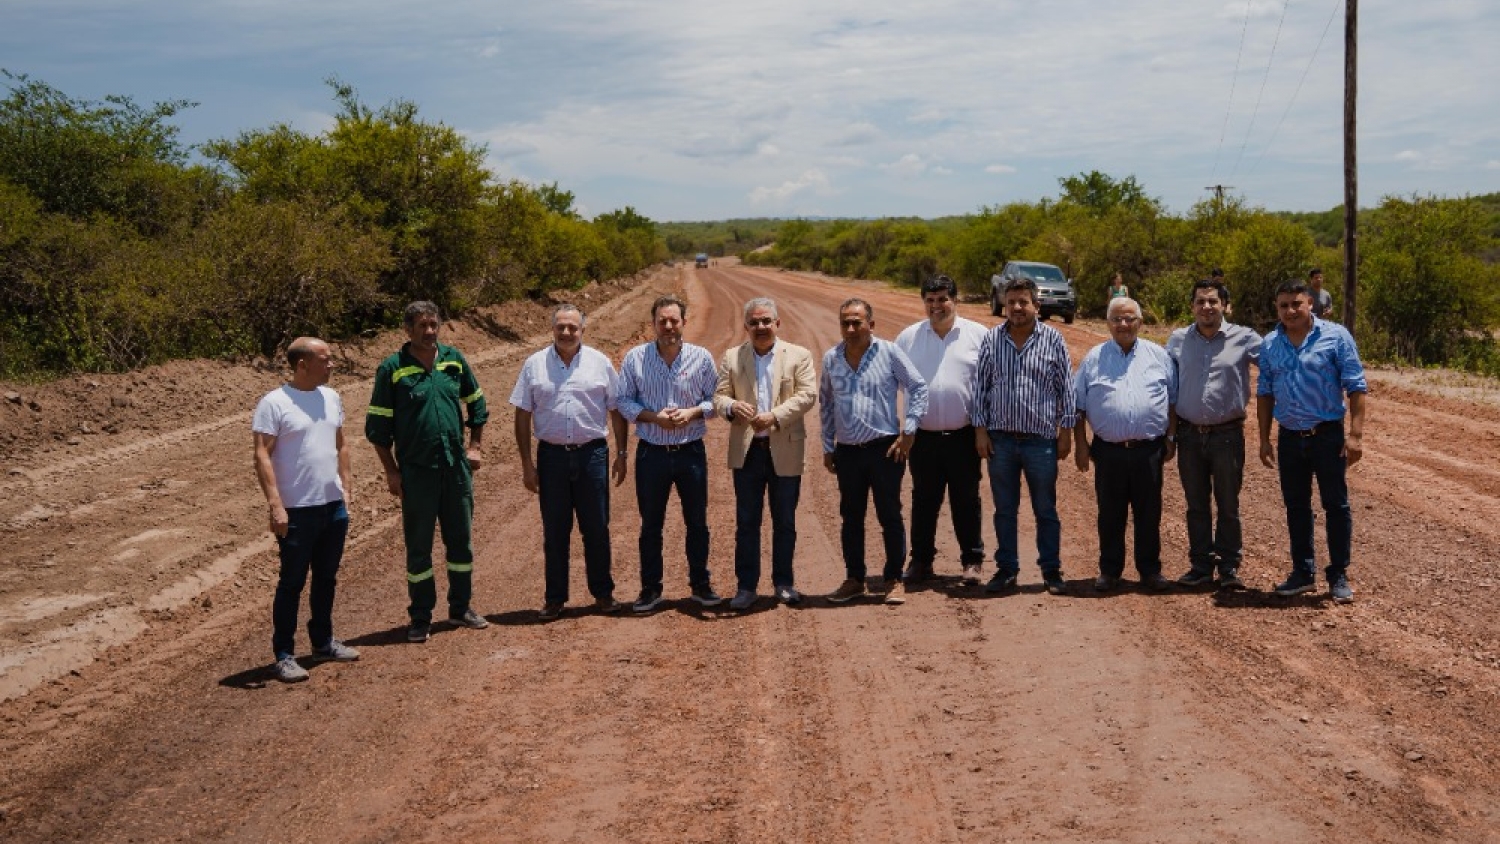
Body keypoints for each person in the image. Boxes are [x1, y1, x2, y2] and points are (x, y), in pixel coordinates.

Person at [367, 302, 490, 644]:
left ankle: (461, 608)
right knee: (419, 548)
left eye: (434, 324)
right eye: (421, 325)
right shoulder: (392, 369)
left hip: (455, 470)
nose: (429, 331)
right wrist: (392, 472)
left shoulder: (454, 360)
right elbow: (377, 429)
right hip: (416, 474)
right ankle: (420, 616)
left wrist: (475, 447)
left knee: (461, 542)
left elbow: (477, 404)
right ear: (407, 329)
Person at [511, 304, 630, 620]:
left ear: (582, 330)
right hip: (551, 458)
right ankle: (554, 599)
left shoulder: (600, 363)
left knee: (596, 528)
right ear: (552, 329)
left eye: (572, 327)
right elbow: (522, 414)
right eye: (561, 327)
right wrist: (526, 464)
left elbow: (616, 409)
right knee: (555, 530)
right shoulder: (534, 365)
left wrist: (621, 453)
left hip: (592, 455)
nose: (566, 332)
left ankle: (603, 594)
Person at [253, 337, 358, 683]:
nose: (331, 365)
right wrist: (276, 506)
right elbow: (262, 455)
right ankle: (283, 654)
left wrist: (346, 486)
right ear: (302, 364)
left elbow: (340, 444)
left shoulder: (332, 397)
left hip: (331, 506)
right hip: (296, 510)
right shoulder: (274, 403)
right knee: (292, 582)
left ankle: (322, 642)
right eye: (325, 360)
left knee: (326, 578)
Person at [1257, 281, 1367, 603]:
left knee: (1336, 505)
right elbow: (1264, 392)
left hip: (1327, 435)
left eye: (1297, 304)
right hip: (1290, 437)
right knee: (1296, 507)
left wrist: (1356, 435)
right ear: (1276, 309)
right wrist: (1264, 438)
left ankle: (1338, 574)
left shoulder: (1335, 337)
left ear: (1310, 305)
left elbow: (1356, 386)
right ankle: (1303, 572)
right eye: (1283, 306)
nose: (1290, 311)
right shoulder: (1270, 344)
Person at [819, 298, 929, 604]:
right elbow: (826, 403)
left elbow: (917, 387)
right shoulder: (831, 358)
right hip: (848, 452)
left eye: (857, 322)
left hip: (885, 449)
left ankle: (894, 578)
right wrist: (828, 446)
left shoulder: (890, 352)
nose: (851, 328)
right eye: (845, 323)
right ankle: (854, 579)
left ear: (871, 324)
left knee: (889, 514)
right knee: (850, 517)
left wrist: (909, 431)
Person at [618, 295, 724, 612]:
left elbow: (716, 400)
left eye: (673, 320)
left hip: (691, 451)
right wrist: (654, 417)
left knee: (697, 523)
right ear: (653, 324)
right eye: (662, 321)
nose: (668, 326)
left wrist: (692, 413)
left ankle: (701, 586)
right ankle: (650, 589)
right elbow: (623, 401)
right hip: (652, 453)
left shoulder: (701, 358)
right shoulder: (635, 359)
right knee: (651, 524)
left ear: (683, 323)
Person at [973, 277, 1076, 596]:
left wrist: (1066, 432)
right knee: (1004, 508)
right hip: (1000, 440)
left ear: (1036, 305)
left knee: (1045, 508)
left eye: (1024, 302)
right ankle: (1007, 569)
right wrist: (980, 431)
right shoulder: (991, 339)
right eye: (1012, 301)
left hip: (1040, 440)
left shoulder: (1053, 339)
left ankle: (1051, 569)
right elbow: (980, 388)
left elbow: (1066, 389)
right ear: (1004, 304)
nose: (1017, 307)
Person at [713, 297, 818, 610]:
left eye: (766, 321)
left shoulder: (798, 355)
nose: (760, 327)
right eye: (754, 322)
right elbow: (719, 397)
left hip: (784, 447)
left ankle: (784, 583)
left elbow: (807, 394)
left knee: (784, 521)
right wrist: (731, 406)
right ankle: (746, 587)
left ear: (777, 324)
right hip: (748, 453)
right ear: (746, 326)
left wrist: (775, 415)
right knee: (747, 522)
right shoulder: (732, 357)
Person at [1073, 297, 1177, 592]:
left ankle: (1150, 571)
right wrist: (1081, 445)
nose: (1123, 324)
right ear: (1108, 324)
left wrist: (1170, 438)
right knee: (1110, 513)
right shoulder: (1094, 358)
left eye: (1130, 318)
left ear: (1140, 323)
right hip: (1108, 451)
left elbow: (1172, 401)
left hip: (1149, 449)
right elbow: (1077, 407)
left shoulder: (1159, 356)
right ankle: (1109, 571)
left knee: (1149, 513)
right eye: (1117, 319)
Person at [894, 275, 988, 586]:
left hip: (964, 435)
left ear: (955, 300)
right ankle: (921, 561)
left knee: (966, 499)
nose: (936, 306)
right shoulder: (908, 338)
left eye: (943, 299)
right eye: (930, 300)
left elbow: (987, 387)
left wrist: (981, 430)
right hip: (923, 436)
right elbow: (893, 384)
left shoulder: (978, 336)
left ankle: (972, 561)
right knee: (924, 499)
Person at [1167, 279, 1260, 590]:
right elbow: (1166, 388)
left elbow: (1278, 362)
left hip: (1227, 436)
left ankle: (1229, 568)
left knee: (1228, 503)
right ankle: (1201, 566)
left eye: (1213, 302)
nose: (1206, 307)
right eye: (1200, 302)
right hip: (1189, 435)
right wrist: (1168, 435)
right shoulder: (1178, 340)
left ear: (1225, 306)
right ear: (1192, 306)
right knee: (1196, 503)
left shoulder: (1245, 338)